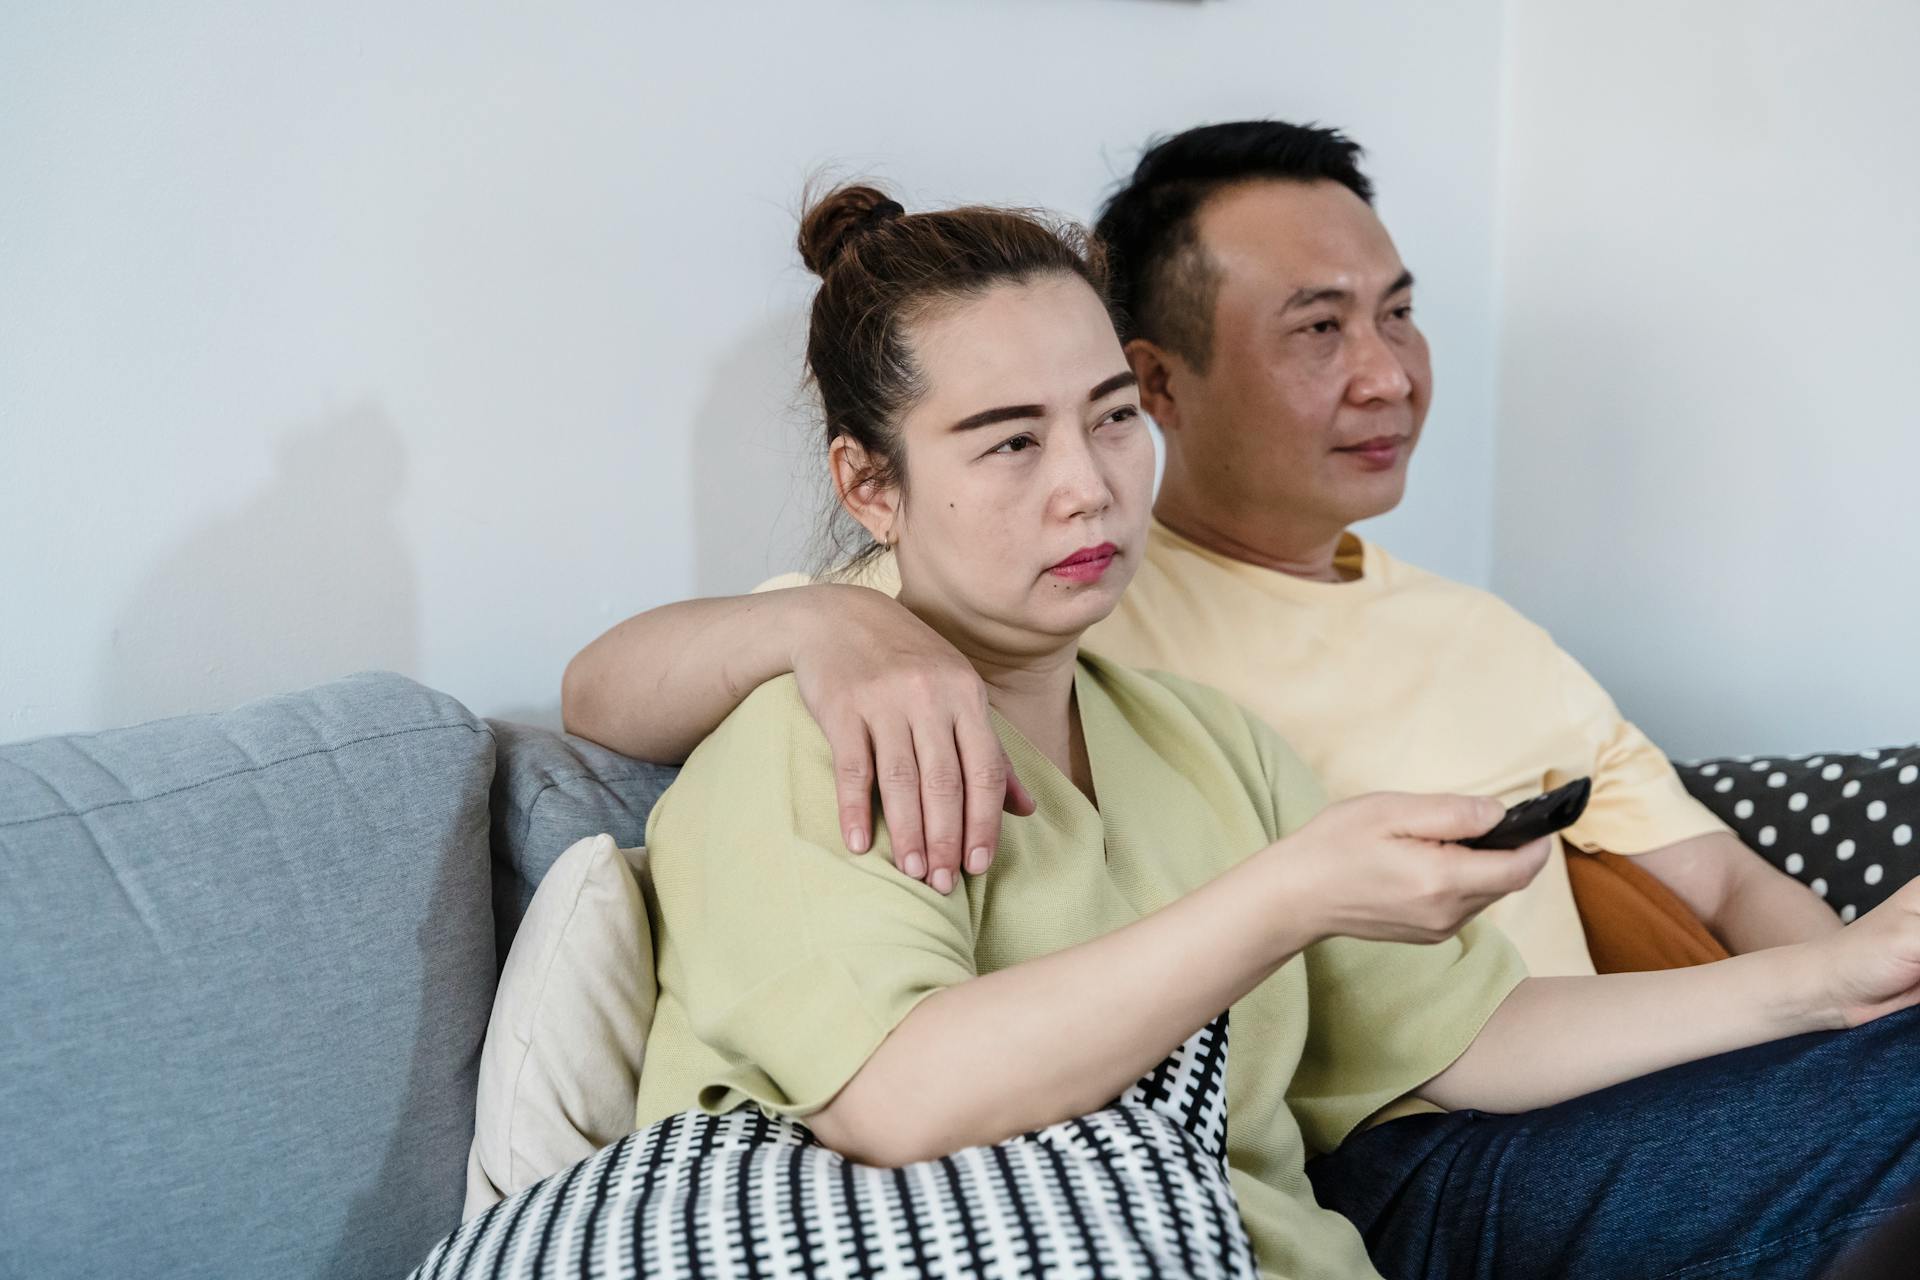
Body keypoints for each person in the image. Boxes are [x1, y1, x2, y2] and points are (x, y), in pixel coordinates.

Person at [599, 185, 1920, 1280]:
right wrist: (1289, 894)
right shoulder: (813, 722)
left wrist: (1834, 981)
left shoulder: (1206, 744)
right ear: (869, 486)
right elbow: (898, 1098)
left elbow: (1468, 1040)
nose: (1088, 488)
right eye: (1010, 444)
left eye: (1112, 418)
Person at [563, 122, 1837, 978]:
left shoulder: (1491, 637)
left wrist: (1860, 979)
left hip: (1594, 1074)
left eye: (1399, 315)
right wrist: (823, 624)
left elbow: (1719, 883)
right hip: (1393, 1146)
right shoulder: (1050, 592)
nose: (1387, 375)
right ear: (1158, 380)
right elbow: (601, 695)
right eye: (1319, 330)